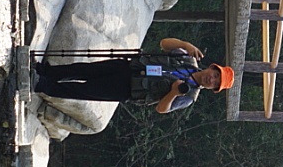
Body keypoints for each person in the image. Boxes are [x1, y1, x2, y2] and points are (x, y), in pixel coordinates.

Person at [32, 38, 235, 115]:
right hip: (128, 67)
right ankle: (45, 71)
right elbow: (164, 44)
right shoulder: (187, 59)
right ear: (212, 68)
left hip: (129, 89)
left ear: (212, 89)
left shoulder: (189, 97)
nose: (212, 79)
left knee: (84, 90)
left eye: (215, 83)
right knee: (84, 69)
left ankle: (43, 85)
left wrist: (174, 92)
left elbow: (161, 109)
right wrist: (186, 45)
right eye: (215, 75)